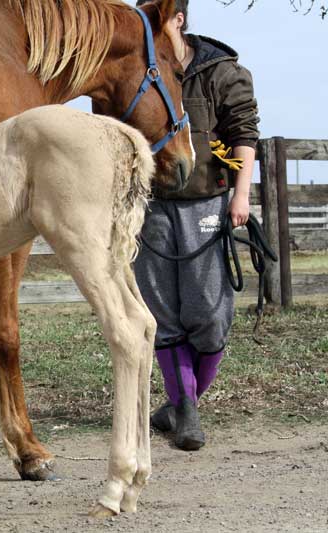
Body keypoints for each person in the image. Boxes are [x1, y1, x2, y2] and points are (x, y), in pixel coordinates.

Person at [134, 0, 260, 450]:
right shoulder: (137, 70)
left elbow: (244, 135)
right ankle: (185, 410)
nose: (146, 30)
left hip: (207, 201)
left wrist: (241, 196)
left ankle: (181, 403)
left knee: (209, 314)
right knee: (161, 312)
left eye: (155, 21)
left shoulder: (222, 71)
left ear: (178, 20)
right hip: (149, 206)